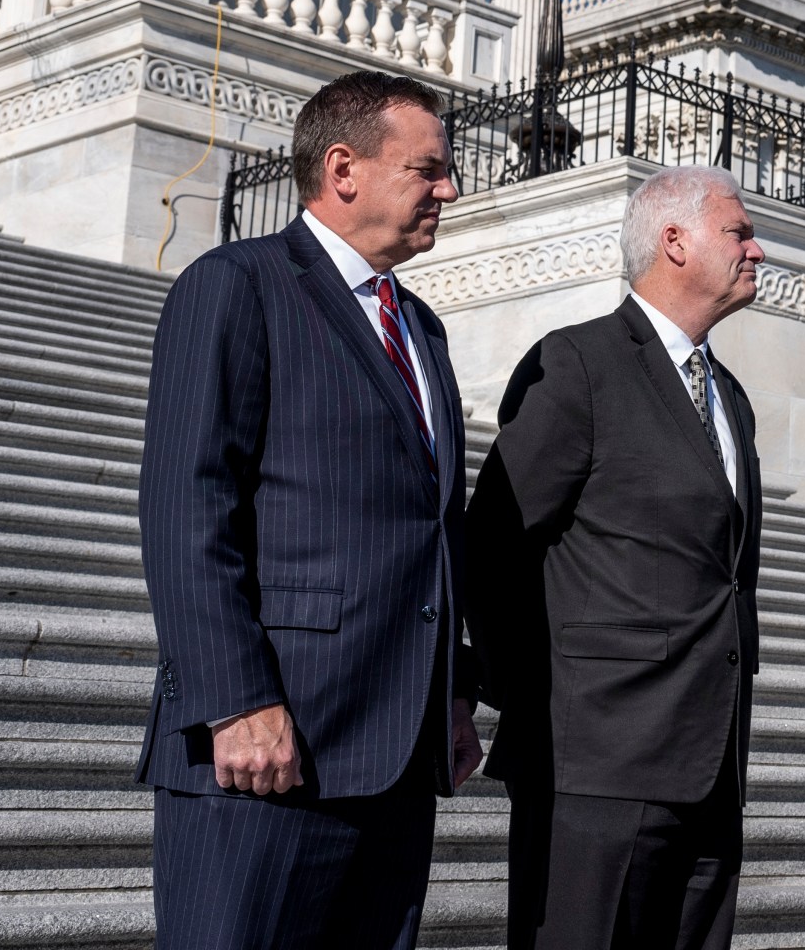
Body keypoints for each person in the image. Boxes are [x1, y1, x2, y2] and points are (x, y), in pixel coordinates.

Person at [137, 71, 479, 950]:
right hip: (265, 751)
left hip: (395, 759)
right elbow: (187, 506)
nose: (450, 189)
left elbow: (434, 530)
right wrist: (233, 700)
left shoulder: (423, 327)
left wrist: (451, 698)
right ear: (343, 167)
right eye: (430, 169)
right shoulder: (235, 284)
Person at [465, 166, 766, 950]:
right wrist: (535, 699)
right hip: (594, 763)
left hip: (710, 762)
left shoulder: (729, 395)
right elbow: (494, 544)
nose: (757, 249)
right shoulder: (580, 364)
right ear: (675, 241)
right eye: (739, 231)